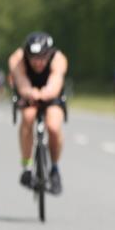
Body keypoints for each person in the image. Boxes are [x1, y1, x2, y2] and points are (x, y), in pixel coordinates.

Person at [8, 32, 68, 195]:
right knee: (28, 117)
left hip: (51, 92)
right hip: (29, 92)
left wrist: (45, 94)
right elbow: (21, 82)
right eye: (33, 58)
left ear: (49, 53)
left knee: (53, 126)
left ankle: (54, 168)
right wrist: (30, 93)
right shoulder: (17, 59)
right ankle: (27, 166)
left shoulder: (59, 58)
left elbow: (55, 82)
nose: (38, 62)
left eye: (42, 57)